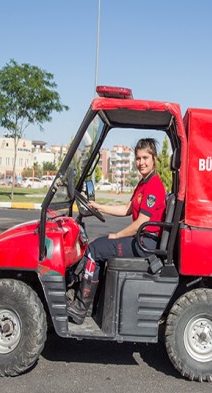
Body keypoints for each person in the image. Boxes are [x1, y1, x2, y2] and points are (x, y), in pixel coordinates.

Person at [67, 138, 167, 325]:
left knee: (94, 249)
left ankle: (81, 307)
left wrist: (118, 235)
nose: (141, 163)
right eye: (138, 158)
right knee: (102, 246)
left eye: (145, 157)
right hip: (142, 240)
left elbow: (140, 223)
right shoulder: (143, 183)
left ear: (154, 158)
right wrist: (99, 207)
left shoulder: (154, 186)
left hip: (145, 243)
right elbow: (127, 209)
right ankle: (93, 303)